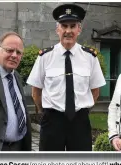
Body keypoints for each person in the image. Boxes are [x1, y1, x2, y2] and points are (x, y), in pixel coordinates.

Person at [27, 4, 106, 151]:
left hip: (80, 121)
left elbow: (95, 91)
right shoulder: (45, 57)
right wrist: (46, 112)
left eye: (72, 26)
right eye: (64, 26)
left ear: (79, 29)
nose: (68, 31)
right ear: (58, 29)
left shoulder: (90, 57)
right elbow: (35, 92)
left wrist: (82, 110)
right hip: (52, 121)